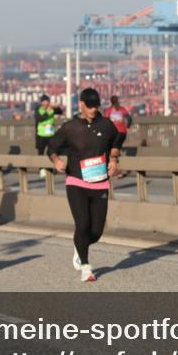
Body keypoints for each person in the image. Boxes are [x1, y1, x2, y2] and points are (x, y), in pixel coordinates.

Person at [48, 88, 122, 282]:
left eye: (96, 106)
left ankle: (79, 246)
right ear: (81, 104)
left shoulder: (106, 125)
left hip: (100, 184)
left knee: (96, 232)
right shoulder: (70, 128)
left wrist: (114, 159)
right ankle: (86, 267)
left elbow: (116, 141)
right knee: (82, 224)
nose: (93, 109)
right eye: (89, 106)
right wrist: (56, 161)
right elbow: (51, 148)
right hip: (76, 183)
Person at [34, 95, 63, 177]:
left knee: (53, 151)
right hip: (41, 134)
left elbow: (60, 112)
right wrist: (47, 111)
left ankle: (53, 167)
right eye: (44, 101)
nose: (46, 103)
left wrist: (57, 106)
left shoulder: (52, 109)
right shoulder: (38, 109)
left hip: (51, 134)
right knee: (41, 152)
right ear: (41, 102)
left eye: (47, 101)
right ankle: (41, 169)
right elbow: (40, 118)